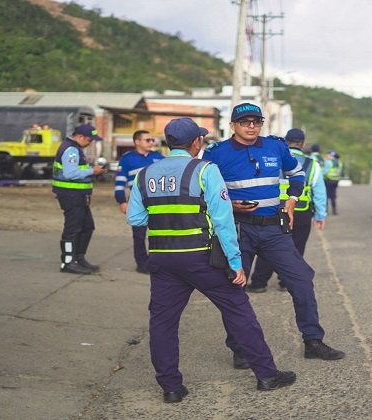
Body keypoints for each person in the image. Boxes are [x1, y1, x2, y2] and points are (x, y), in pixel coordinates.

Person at [126, 117, 296, 403]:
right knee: (239, 311)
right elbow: (222, 219)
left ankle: (170, 387)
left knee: (163, 323)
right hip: (202, 258)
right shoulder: (205, 170)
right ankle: (266, 375)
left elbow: (136, 218)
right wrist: (235, 261)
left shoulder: (145, 174)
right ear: (196, 142)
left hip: (163, 259)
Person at [202, 102, 345, 367]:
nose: (251, 127)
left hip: (273, 229)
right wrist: (228, 204)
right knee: (235, 286)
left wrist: (292, 198)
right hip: (237, 229)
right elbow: (202, 189)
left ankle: (313, 341)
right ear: (232, 125)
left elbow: (297, 173)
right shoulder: (217, 154)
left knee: (302, 279)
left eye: (256, 122)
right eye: (245, 122)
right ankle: (240, 349)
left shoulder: (275, 147)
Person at [249, 128, 328, 293]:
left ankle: (259, 283)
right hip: (301, 212)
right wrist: (320, 215)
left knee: (268, 246)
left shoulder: (272, 160)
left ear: (285, 142)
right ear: (303, 144)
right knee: (296, 248)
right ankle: (286, 282)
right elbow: (319, 193)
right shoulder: (312, 164)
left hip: (273, 210)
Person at [52, 124, 106, 274]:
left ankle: (79, 258)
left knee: (87, 226)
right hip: (71, 194)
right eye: (90, 140)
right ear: (80, 137)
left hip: (78, 194)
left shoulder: (74, 148)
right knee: (73, 228)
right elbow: (70, 173)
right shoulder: (71, 150)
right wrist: (92, 171)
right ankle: (68, 262)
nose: (91, 143)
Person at [115, 130, 164, 274]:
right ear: (137, 142)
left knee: (158, 234)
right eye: (147, 140)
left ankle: (155, 261)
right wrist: (122, 201)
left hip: (158, 203)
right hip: (138, 203)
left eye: (152, 140)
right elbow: (119, 182)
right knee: (139, 235)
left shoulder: (159, 157)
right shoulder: (127, 159)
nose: (151, 143)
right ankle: (142, 264)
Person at [323, 150, 343, 215]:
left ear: (331, 155)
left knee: (326, 196)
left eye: (328, 154)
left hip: (328, 180)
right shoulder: (339, 163)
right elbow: (340, 172)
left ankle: (326, 211)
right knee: (333, 196)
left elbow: (324, 172)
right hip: (335, 180)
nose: (327, 156)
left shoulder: (328, 162)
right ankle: (334, 210)